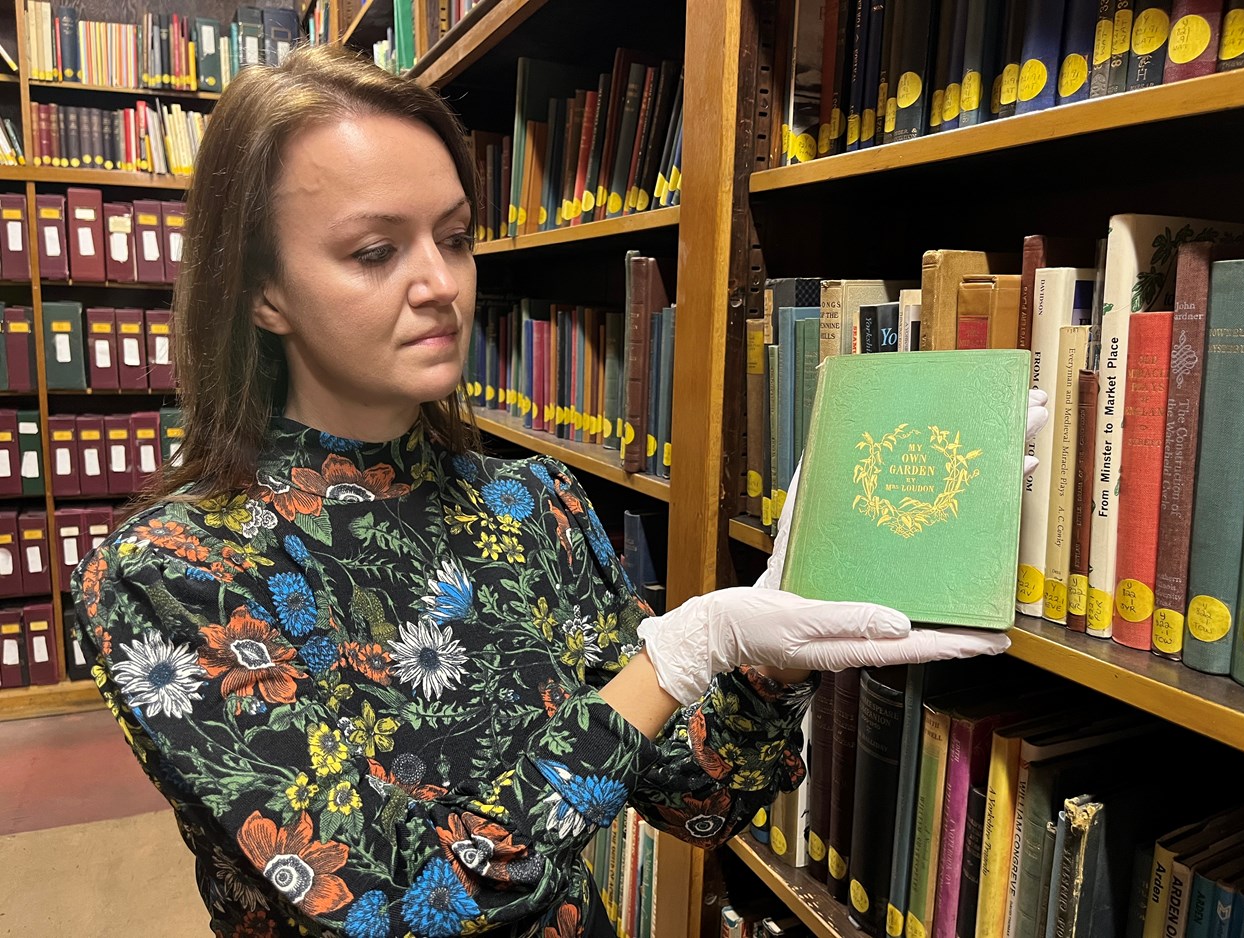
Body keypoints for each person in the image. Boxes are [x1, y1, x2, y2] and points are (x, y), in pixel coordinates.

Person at [71, 44, 1042, 938]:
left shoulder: (531, 502)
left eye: (451, 237)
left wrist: (760, 665)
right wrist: (678, 655)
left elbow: (688, 799)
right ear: (259, 289)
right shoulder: (173, 569)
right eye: (374, 250)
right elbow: (398, 903)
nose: (439, 283)